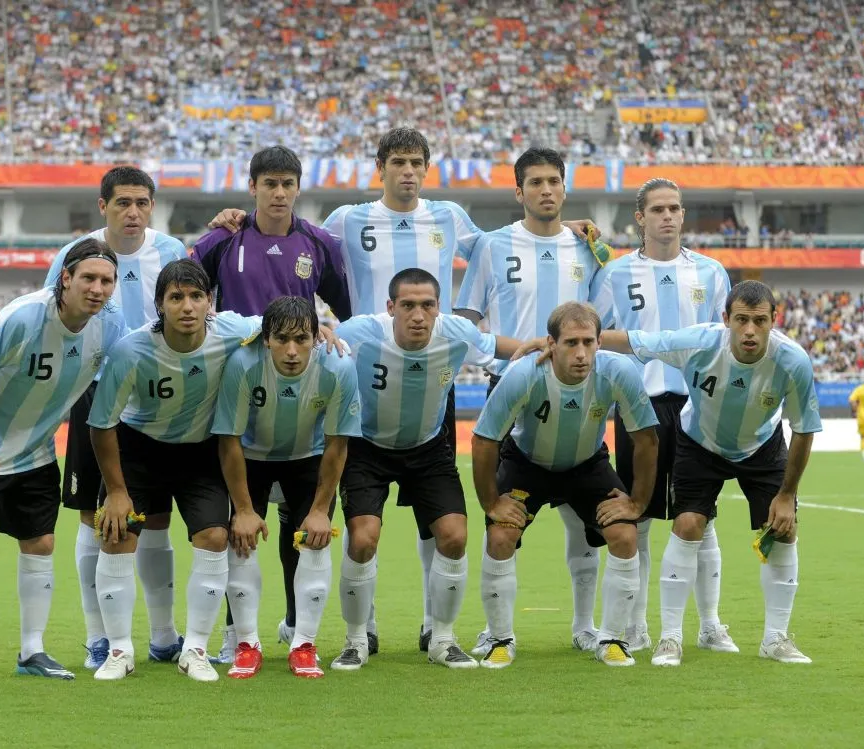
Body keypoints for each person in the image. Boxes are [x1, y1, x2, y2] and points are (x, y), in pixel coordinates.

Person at [208, 128, 598, 654]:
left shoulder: (450, 217)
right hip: (359, 374)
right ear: (381, 167)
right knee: (345, 519)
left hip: (429, 377)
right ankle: (357, 628)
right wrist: (234, 219)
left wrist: (561, 229)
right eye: (398, 162)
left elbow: (504, 245)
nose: (408, 172)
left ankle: (431, 627)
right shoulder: (346, 221)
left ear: (426, 167)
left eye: (417, 162)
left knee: (432, 520)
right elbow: (287, 236)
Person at [601, 280, 822, 665]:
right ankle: (670, 639)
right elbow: (638, 340)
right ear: (726, 320)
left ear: (774, 320)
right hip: (700, 442)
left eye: (759, 321)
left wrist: (787, 495)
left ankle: (776, 639)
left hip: (761, 445)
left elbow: (803, 429)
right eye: (741, 320)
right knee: (688, 525)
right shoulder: (699, 343)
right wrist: (583, 335)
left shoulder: (793, 361)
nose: (749, 330)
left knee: (782, 532)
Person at [328, 268, 537, 671]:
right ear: (390, 307)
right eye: (407, 305)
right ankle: (356, 640)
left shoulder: (456, 332)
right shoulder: (359, 333)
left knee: (455, 536)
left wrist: (545, 345)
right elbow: (320, 350)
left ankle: (442, 638)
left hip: (428, 449)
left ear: (438, 307)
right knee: (363, 539)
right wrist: (317, 334)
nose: (418, 315)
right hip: (367, 448)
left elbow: (499, 345)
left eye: (427, 305)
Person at [191, 145, 351, 662]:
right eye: (269, 184)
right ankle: (236, 633)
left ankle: (291, 623)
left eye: (287, 184)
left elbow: (343, 312)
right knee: (234, 523)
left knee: (297, 528)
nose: (279, 193)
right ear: (253, 187)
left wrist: (322, 329)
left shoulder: (320, 244)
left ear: (298, 188)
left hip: (301, 392)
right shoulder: (224, 238)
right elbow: (186, 290)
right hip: (238, 387)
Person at [0, 239, 125, 685]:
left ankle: (32, 650)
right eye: (88, 278)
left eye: (106, 280)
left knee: (41, 545)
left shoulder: (110, 327)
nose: (97, 289)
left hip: (38, 452)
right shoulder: (23, 316)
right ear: (66, 278)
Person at [454, 147, 613, 656]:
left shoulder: (589, 249)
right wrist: (509, 350)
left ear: (565, 189)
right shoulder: (493, 246)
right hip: (511, 388)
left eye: (554, 181)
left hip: (579, 387)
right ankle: (496, 628)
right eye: (535, 182)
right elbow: (464, 320)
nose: (546, 190)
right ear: (518, 191)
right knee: (503, 515)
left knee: (584, 518)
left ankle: (585, 626)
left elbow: (602, 322)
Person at [86, 260, 262, 682]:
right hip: (138, 450)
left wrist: (323, 330)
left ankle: (195, 649)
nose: (187, 306)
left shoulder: (232, 332)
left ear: (210, 303)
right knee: (117, 533)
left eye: (196, 296)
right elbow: (101, 424)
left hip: (199, 454)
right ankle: (119, 651)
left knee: (214, 536)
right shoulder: (132, 350)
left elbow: (279, 324)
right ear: (160, 305)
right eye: (176, 297)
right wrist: (115, 491)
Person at [45, 166, 188, 669]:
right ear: (102, 205)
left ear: (153, 207)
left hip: (157, 398)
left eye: (143, 202)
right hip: (96, 394)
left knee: (155, 519)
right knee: (94, 516)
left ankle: (166, 635)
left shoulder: (171, 253)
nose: (133, 212)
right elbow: (53, 321)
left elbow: (197, 310)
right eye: (123, 202)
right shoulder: (75, 254)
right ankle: (98, 637)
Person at [588, 177, 735, 655]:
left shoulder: (712, 273)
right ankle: (636, 626)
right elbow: (595, 332)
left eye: (675, 207)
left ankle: (710, 624)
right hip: (640, 408)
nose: (668, 216)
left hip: (697, 408)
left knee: (702, 517)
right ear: (640, 218)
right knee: (641, 518)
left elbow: (725, 343)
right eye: (658, 209)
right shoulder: (615, 274)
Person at [471, 302, 659, 668]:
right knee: (500, 535)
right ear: (550, 344)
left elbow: (647, 440)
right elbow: (483, 441)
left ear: (600, 342)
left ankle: (612, 638)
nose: (581, 353)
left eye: (589, 342)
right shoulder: (524, 374)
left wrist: (637, 502)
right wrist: (491, 503)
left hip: (587, 464)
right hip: (527, 464)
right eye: (571, 343)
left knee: (624, 534)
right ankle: (499, 638)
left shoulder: (618, 372)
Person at [212, 296, 362, 679]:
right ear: (266, 339)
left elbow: (337, 445)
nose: (292, 351)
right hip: (251, 458)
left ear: (317, 336)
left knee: (315, 539)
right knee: (240, 538)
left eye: (302, 339)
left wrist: (319, 509)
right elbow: (228, 441)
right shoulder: (242, 365)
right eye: (281, 339)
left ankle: (304, 644)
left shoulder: (339, 366)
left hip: (308, 458)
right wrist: (244, 511)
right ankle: (246, 644)